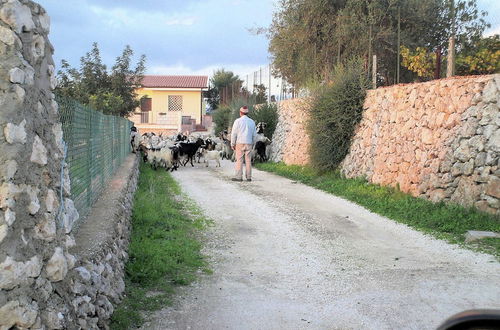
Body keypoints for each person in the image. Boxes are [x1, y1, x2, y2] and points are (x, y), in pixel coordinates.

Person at [230, 106, 256, 182]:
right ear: (247, 113)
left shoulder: (237, 121)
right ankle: (249, 177)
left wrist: (232, 143)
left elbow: (234, 133)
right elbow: (254, 134)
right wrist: (253, 143)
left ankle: (239, 177)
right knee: (248, 160)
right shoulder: (252, 121)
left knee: (239, 160)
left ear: (240, 113)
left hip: (240, 143)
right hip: (249, 143)